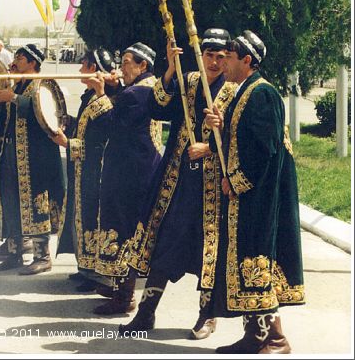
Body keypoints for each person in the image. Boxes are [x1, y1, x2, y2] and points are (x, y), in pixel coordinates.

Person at [120, 29, 236, 339]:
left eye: (220, 57)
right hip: (177, 178)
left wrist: (216, 136)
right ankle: (146, 312)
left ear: (228, 60)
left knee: (208, 248)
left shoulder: (233, 91)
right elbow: (157, 109)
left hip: (212, 187)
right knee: (163, 239)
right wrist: (171, 69)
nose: (213, 62)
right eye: (208, 55)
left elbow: (240, 138)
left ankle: (207, 316)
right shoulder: (190, 82)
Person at [203, 30, 305, 354]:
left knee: (257, 262)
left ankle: (276, 339)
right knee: (245, 262)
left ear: (246, 60)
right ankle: (255, 336)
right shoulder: (244, 91)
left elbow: (264, 149)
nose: (224, 64)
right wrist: (221, 124)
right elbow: (242, 136)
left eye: (229, 57)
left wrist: (235, 181)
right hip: (248, 196)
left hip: (261, 196)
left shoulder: (262, 94)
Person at [89, 42, 163, 316]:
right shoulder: (146, 89)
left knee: (124, 233)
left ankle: (124, 297)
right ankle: (122, 289)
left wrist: (99, 94)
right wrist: (112, 89)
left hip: (129, 175)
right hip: (138, 170)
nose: (122, 68)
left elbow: (111, 125)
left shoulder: (136, 94)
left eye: (128, 62)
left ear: (143, 65)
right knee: (130, 232)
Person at [0, 44, 65, 275]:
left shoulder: (43, 85)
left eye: (20, 59)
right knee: (11, 201)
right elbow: (4, 119)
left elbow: (44, 115)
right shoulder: (17, 86)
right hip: (10, 156)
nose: (14, 62)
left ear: (32, 62)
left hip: (36, 160)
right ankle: (14, 252)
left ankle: (42, 256)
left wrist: (13, 98)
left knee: (36, 204)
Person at [52, 47, 116, 291]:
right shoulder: (88, 97)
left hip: (94, 170)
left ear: (94, 69)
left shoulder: (104, 100)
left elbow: (100, 141)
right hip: (82, 169)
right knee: (80, 215)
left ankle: (95, 273)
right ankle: (85, 267)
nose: (80, 69)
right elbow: (84, 129)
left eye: (84, 65)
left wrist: (69, 144)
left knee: (91, 216)